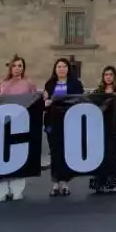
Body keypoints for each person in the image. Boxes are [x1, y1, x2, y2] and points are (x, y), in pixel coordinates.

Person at [41, 57, 81, 198]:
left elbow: (79, 100)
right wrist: (46, 102)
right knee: (55, 152)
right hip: (52, 121)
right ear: (55, 69)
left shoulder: (75, 84)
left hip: (69, 122)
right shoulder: (50, 84)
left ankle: (65, 183)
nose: (62, 69)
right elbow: (44, 101)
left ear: (68, 69)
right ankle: (55, 183)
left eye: (64, 66)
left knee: (67, 152)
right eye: (59, 66)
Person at [90, 66, 116, 194]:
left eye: (111, 75)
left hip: (115, 125)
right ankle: (99, 183)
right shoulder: (98, 91)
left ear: (115, 76)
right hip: (101, 126)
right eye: (106, 75)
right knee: (100, 154)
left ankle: (113, 182)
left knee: (115, 153)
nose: (108, 77)